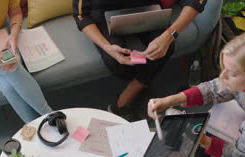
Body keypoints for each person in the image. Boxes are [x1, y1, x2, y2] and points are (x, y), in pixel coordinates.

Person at [73, 0, 207, 121]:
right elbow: (81, 15)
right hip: (103, 11)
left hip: (146, 5)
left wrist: (169, 35)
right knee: (115, 63)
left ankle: (129, 94)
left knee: (165, 47)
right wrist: (106, 47)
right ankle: (142, 81)